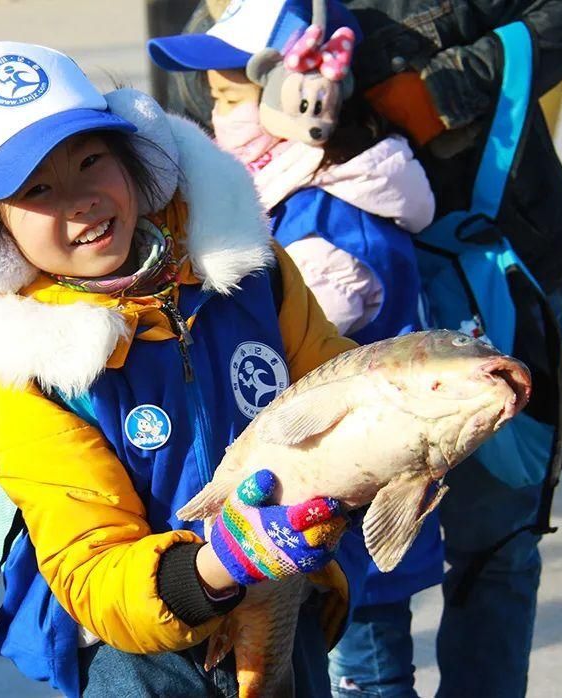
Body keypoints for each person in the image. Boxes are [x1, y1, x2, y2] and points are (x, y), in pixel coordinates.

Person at [0, 39, 373, 697]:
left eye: (91, 159)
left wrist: (415, 414)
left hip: (283, 613)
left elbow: (343, 396)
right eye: (37, 188)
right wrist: (220, 564)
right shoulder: (29, 373)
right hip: (142, 661)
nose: (80, 201)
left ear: (136, 157)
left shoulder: (250, 274)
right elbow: (91, 564)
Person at [158, 1, 562, 696]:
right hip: (316, 264)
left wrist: (440, 91)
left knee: (494, 542)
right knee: (358, 583)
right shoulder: (226, 42)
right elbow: (209, 110)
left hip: (489, 263)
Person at [149, 2, 442, 696]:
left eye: (227, 99)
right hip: (307, 521)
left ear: (296, 93)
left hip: (350, 521)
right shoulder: (293, 196)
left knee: (368, 676)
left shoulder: (330, 222)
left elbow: (282, 367)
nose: (215, 121)